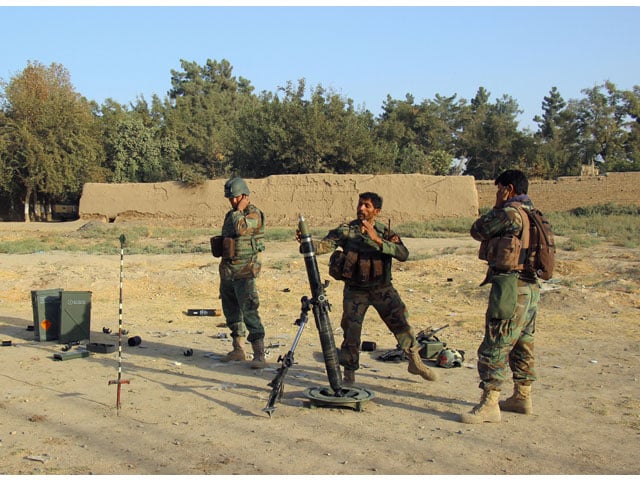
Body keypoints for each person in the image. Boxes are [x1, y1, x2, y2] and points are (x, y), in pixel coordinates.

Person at [298, 191, 437, 386]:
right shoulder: (347, 231)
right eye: (360, 205)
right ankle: (349, 374)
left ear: (376, 211)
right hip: (355, 291)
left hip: (382, 289)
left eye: (367, 206)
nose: (361, 209)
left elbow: (403, 254)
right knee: (351, 333)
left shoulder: (385, 232)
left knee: (401, 324)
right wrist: (305, 242)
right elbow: (322, 246)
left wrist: (378, 241)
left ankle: (414, 361)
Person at [459, 169, 540, 423]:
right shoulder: (533, 214)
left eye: (499, 189)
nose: (497, 193)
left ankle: (490, 403)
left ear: (508, 189)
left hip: (510, 288)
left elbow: (478, 230)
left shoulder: (509, 214)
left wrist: (496, 206)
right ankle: (522, 396)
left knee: (495, 343)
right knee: (523, 343)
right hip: (530, 289)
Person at [216, 177, 267, 369]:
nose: (232, 201)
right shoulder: (231, 214)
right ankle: (238, 349)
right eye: (230, 198)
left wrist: (239, 211)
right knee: (231, 311)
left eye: (235, 197)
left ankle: (259, 354)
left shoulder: (253, 214)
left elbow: (242, 228)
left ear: (244, 195)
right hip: (229, 270)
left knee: (249, 311)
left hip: (245, 270)